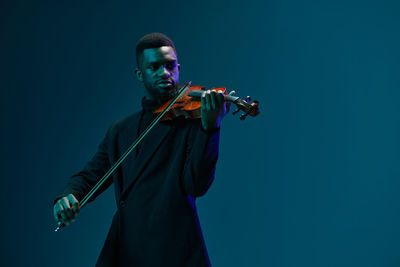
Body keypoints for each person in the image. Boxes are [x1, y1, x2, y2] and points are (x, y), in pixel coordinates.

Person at [53, 32, 228, 266]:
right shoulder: (120, 130)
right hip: (127, 248)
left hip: (175, 249)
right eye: (154, 67)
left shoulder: (193, 121)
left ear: (179, 67)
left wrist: (210, 129)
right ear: (139, 74)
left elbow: (196, 185)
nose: (164, 73)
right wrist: (68, 196)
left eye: (170, 66)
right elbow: (89, 176)